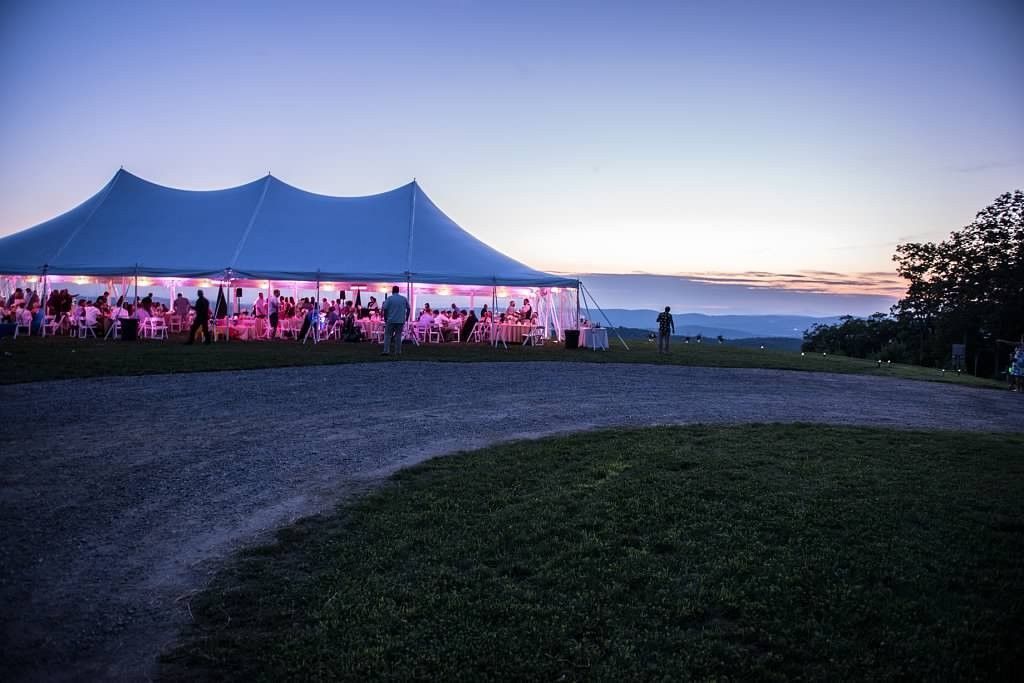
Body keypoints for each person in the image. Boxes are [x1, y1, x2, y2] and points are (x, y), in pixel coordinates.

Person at [381, 285, 409, 355]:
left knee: (387, 335)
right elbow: (408, 308)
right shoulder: (403, 298)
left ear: (392, 290)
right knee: (398, 336)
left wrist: (385, 318)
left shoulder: (389, 298)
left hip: (391, 320)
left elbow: (385, 309)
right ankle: (398, 351)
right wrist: (407, 317)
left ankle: (386, 351)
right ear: (398, 290)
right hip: (400, 320)